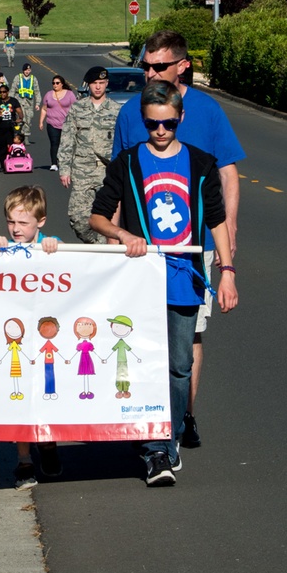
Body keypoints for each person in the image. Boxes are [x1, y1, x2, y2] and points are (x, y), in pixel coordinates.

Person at [91, 80, 238, 487]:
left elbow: (217, 222)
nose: (160, 132)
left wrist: (227, 272)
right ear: (143, 121)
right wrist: (123, 235)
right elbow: (98, 216)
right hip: (140, 283)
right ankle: (155, 445)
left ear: (180, 119)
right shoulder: (127, 163)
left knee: (178, 366)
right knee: (138, 364)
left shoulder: (201, 164)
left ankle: (168, 436)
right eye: (153, 125)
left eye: (169, 125)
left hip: (184, 279)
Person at [111, 29, 244, 449]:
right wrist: (116, 238)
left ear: (183, 65)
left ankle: (183, 414)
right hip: (142, 249)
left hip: (192, 245)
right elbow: (118, 179)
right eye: (145, 65)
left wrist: (229, 232)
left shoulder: (206, 110)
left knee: (189, 336)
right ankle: (147, 417)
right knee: (140, 332)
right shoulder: (132, 112)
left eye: (159, 66)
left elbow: (227, 172)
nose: (149, 73)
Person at [0, 185, 62, 488]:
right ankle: (24, 461)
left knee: (47, 392)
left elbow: (73, 271)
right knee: (16, 396)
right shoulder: (3, 246)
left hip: (44, 337)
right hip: (15, 336)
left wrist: (56, 248)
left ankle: (47, 442)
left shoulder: (51, 244)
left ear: (40, 222)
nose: (16, 229)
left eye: (23, 223)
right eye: (11, 222)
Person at [57, 66, 119, 243]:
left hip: (107, 173)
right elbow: (67, 139)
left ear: (106, 83)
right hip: (82, 171)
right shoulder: (77, 109)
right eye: (94, 83)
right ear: (88, 85)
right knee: (78, 219)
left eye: (101, 83)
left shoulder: (116, 110)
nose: (98, 87)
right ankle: (96, 244)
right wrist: (64, 169)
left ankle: (102, 250)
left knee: (107, 217)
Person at [39, 75, 77, 172]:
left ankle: (66, 162)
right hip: (52, 123)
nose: (55, 85)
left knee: (66, 144)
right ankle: (54, 164)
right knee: (54, 143)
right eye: (53, 83)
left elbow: (75, 108)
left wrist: (76, 121)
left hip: (67, 123)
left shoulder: (69, 94)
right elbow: (44, 109)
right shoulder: (48, 94)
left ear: (62, 84)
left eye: (57, 83)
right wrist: (41, 122)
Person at [0, 82, 23, 171]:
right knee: (2, 147)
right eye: (0, 92)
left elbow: (19, 111)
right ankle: (3, 165)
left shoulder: (13, 101)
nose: (2, 94)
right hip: (0, 128)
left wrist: (20, 118)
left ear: (8, 92)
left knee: (11, 146)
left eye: (4, 92)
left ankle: (12, 163)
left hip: (11, 127)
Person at [10, 63, 41, 143]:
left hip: (29, 102)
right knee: (19, 119)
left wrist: (38, 103)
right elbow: (13, 89)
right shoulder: (18, 77)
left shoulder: (33, 79)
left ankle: (26, 136)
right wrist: (10, 102)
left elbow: (37, 91)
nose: (27, 71)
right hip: (19, 101)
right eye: (26, 70)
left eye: (28, 70)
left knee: (28, 119)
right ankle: (19, 136)